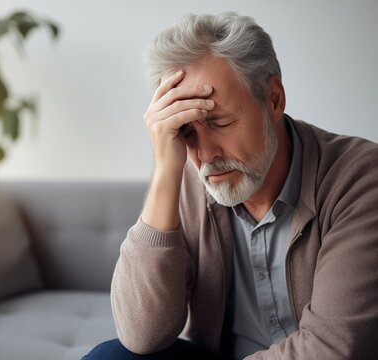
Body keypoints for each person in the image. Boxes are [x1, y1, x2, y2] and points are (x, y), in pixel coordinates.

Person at [83, 12, 378, 360]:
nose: (205, 155)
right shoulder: (187, 173)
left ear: (273, 99)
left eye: (219, 121)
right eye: (187, 131)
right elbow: (141, 335)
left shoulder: (360, 179)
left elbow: (334, 348)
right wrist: (165, 169)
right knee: (111, 356)